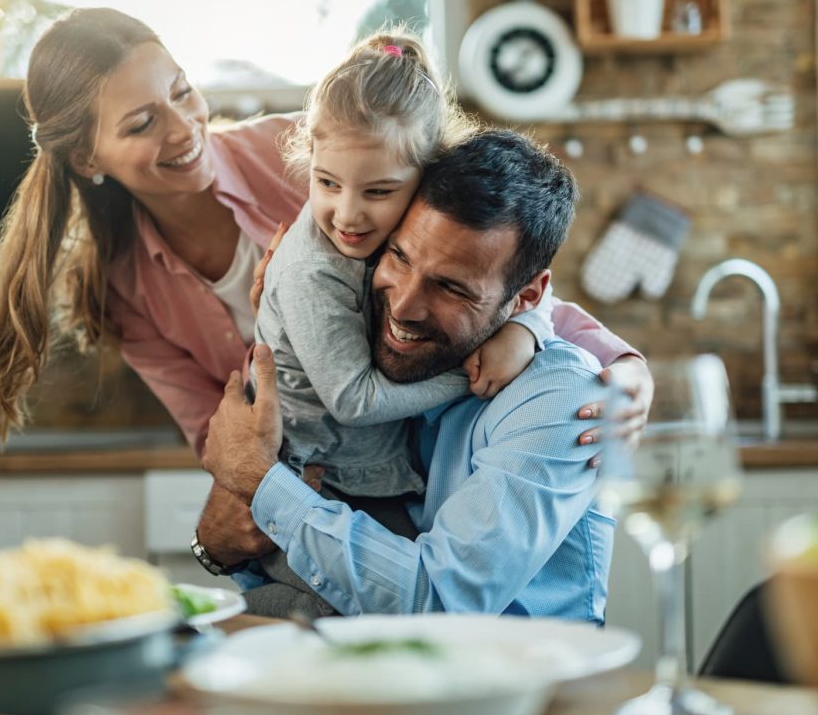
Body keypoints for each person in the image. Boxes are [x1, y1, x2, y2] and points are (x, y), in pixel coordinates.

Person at [0, 9, 648, 588]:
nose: (183, 127)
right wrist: (228, 529)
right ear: (86, 159)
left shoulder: (319, 156)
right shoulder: (119, 286)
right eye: (139, 124)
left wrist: (569, 340)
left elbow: (474, 245)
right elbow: (217, 438)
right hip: (319, 495)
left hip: (424, 467)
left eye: (183, 91)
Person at [201, 128, 650, 621]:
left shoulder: (562, 398)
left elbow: (439, 600)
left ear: (526, 297)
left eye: (450, 288)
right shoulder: (373, 335)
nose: (405, 306)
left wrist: (258, 479)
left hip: (522, 687)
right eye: (399, 256)